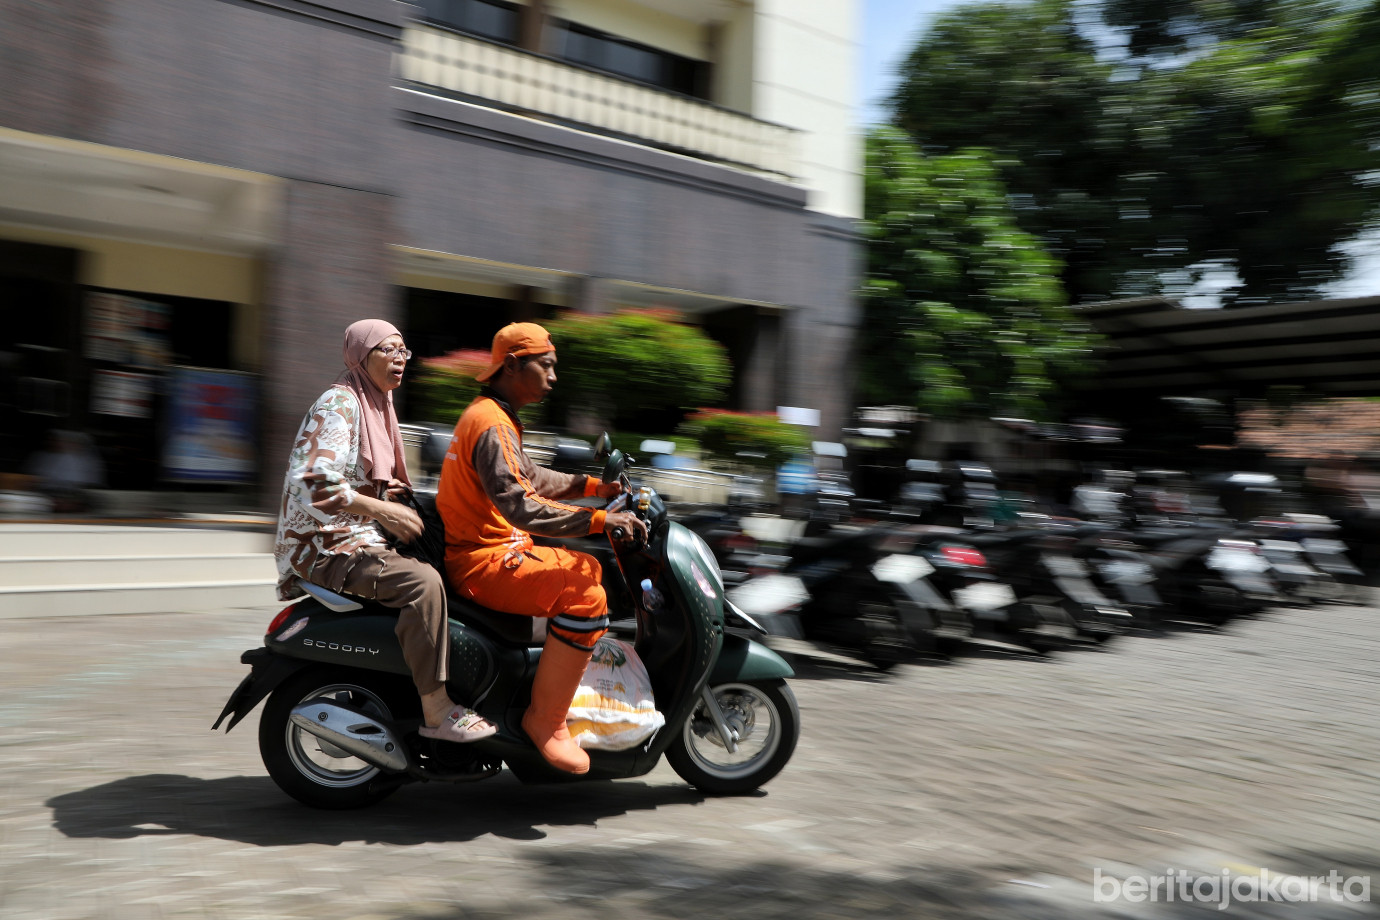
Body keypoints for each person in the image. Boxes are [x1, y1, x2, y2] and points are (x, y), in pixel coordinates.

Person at [436, 322, 648, 774]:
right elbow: (521, 505)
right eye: (546, 366)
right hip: (483, 562)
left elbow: (531, 478)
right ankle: (545, 721)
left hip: (497, 551)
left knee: (590, 569)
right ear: (513, 364)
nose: (553, 377)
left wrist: (595, 486)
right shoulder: (491, 423)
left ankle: (548, 682)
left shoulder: (495, 415)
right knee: (588, 597)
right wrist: (598, 518)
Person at [274, 319, 496, 744]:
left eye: (404, 351)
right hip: (323, 545)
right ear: (361, 355)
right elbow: (311, 481)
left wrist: (388, 492)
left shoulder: (377, 403)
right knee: (423, 583)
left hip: (356, 536)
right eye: (388, 350)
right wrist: (382, 510)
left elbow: (360, 472)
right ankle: (436, 710)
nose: (399, 358)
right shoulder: (338, 403)